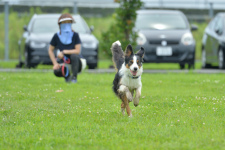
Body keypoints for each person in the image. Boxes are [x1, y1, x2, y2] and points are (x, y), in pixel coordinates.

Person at [48, 13, 85, 83]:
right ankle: (67, 78)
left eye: (68, 22)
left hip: (77, 62)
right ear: (60, 24)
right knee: (56, 70)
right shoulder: (56, 36)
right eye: (64, 22)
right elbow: (50, 50)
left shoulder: (75, 35)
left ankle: (74, 78)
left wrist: (64, 52)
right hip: (64, 62)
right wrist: (55, 63)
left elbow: (77, 51)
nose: (66, 24)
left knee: (73, 56)